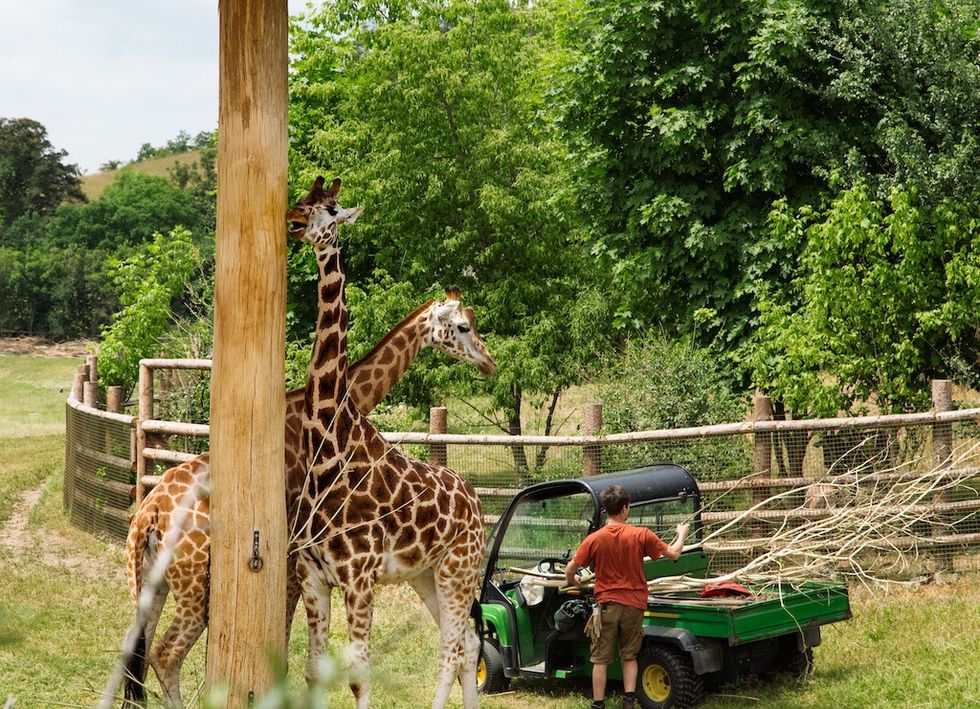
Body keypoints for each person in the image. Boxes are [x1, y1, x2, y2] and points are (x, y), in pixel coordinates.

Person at [564, 484, 690, 709]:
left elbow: (570, 570)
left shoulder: (595, 538)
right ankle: (629, 701)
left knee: (600, 659)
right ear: (624, 508)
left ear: (607, 509)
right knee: (629, 656)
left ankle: (598, 704)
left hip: (606, 607)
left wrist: (574, 582)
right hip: (633, 604)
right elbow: (674, 554)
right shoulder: (641, 534)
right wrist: (681, 534)